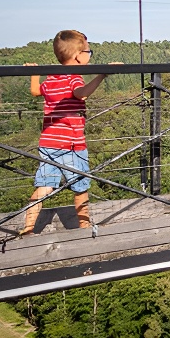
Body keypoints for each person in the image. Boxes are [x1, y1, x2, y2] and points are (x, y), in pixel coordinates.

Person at [19, 30, 117, 236]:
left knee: (44, 186)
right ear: (78, 55)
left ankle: (27, 228)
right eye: (89, 50)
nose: (90, 54)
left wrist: (34, 74)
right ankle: (84, 227)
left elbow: (36, 91)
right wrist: (102, 76)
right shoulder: (74, 77)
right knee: (80, 187)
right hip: (72, 144)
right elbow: (81, 94)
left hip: (48, 142)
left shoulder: (53, 76)